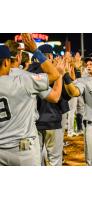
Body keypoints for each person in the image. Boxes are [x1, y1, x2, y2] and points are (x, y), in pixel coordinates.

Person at [0, 33, 63, 166]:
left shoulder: (26, 76)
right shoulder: (25, 78)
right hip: (23, 150)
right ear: (15, 57)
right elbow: (55, 94)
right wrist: (35, 50)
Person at [28, 44, 71, 166]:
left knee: (36, 161)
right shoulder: (56, 72)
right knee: (55, 160)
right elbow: (66, 97)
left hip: (33, 123)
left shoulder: (29, 71)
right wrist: (63, 75)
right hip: (53, 121)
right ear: (50, 56)